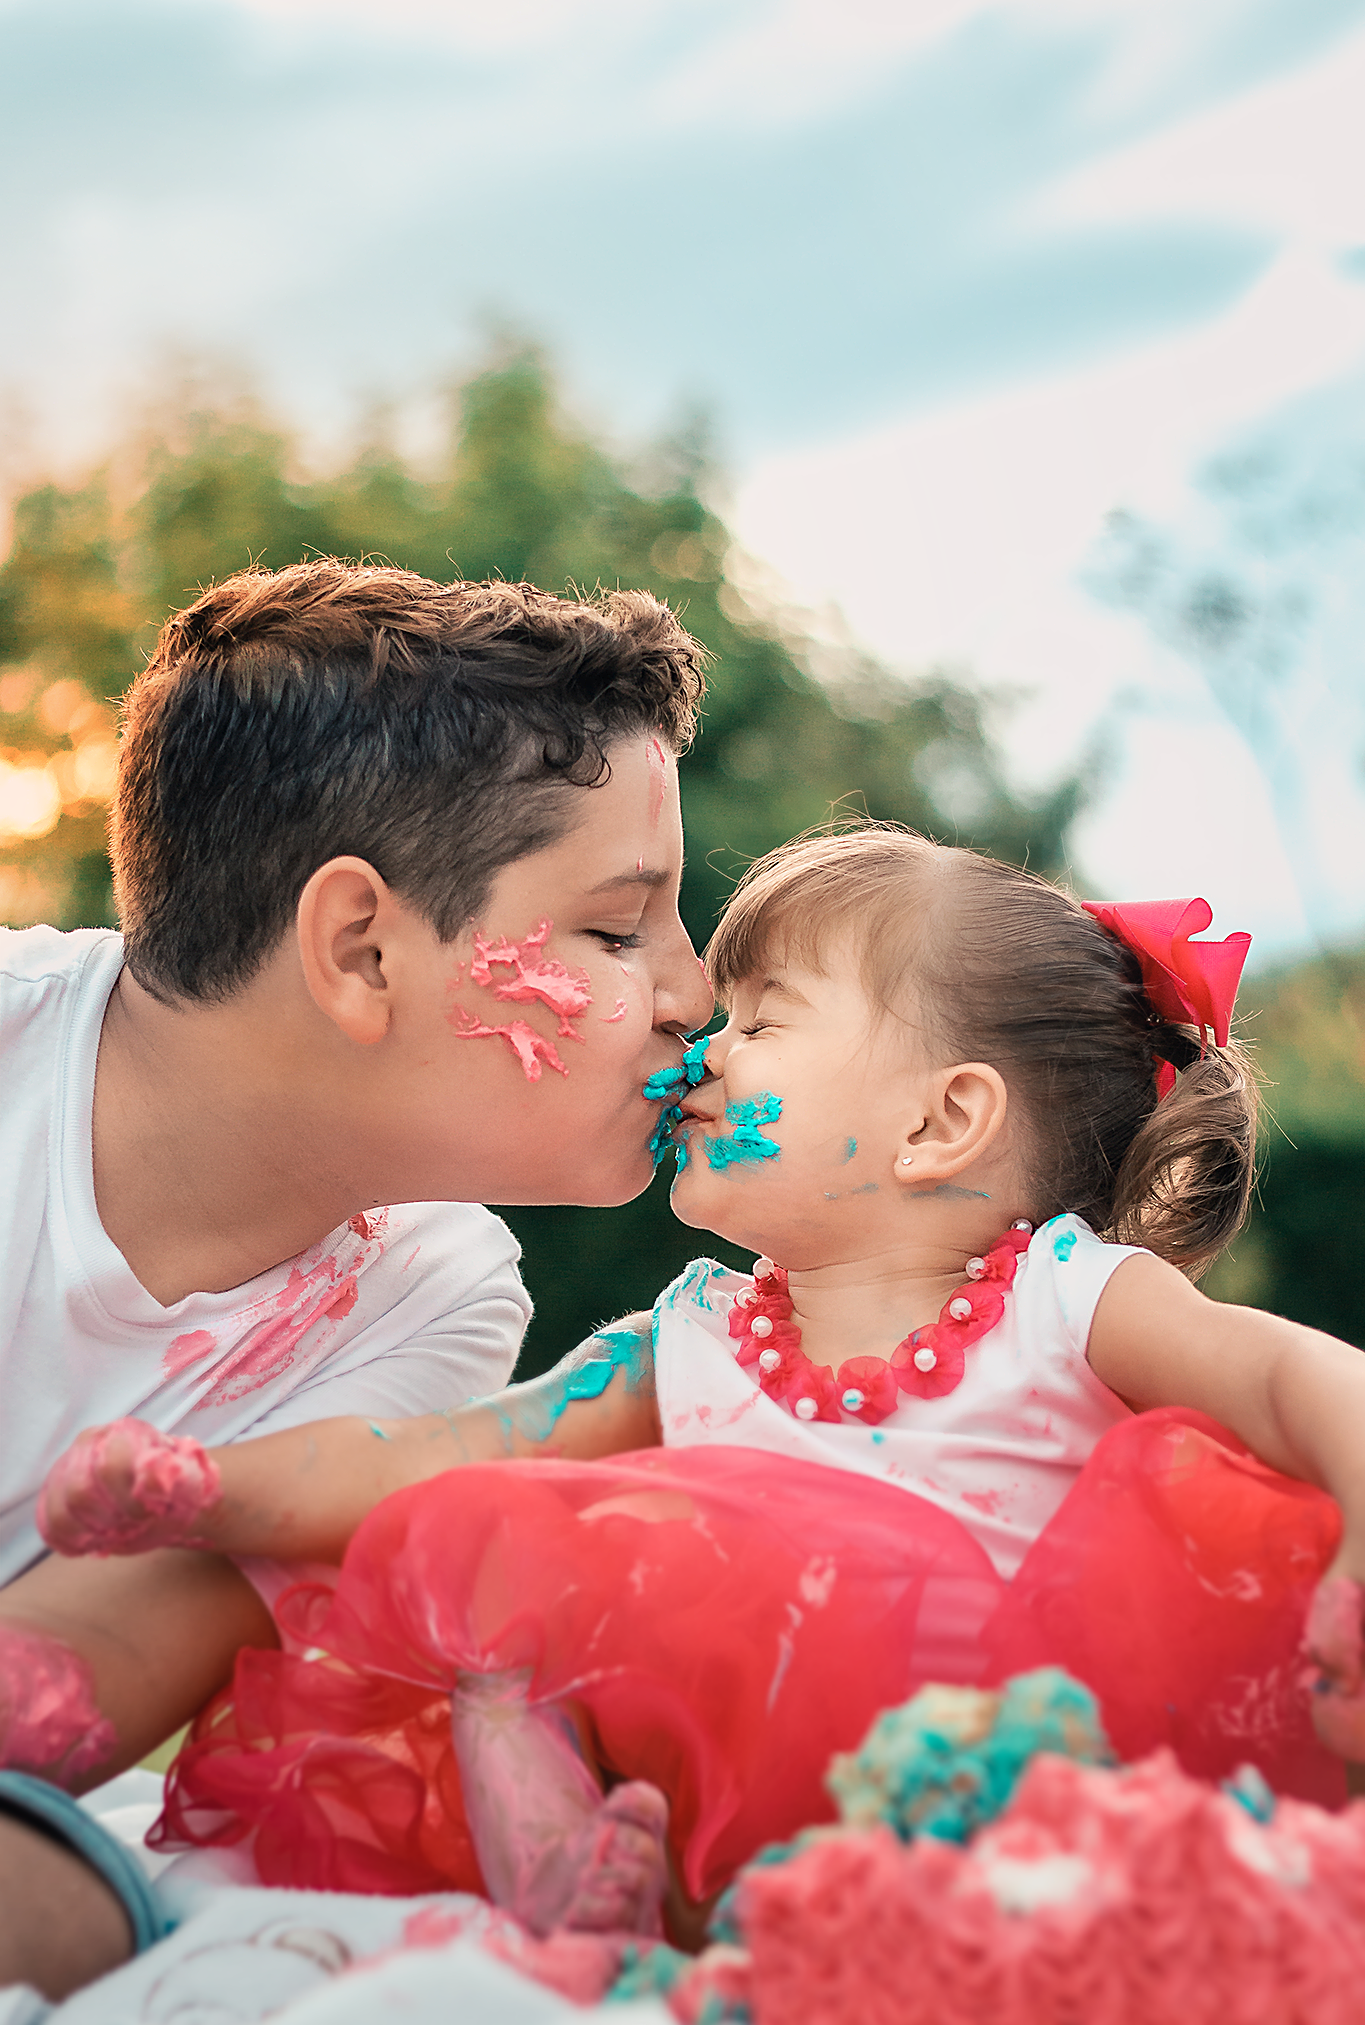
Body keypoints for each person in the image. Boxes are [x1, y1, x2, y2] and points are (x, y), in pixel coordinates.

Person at [35, 828, 1365, 1947]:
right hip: (733, 1838)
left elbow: (1297, 1375)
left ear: (940, 1124)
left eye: (765, 1021)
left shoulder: (1065, 1302)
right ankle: (575, 1877)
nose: (706, 1053)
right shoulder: (693, 1340)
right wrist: (203, 1483)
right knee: (483, 1557)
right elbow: (429, 1454)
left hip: (1012, 1783)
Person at [0, 559, 713, 1997]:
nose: (694, 995)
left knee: (56, 1906)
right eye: (621, 928)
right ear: (361, 950)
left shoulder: (441, 1297)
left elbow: (62, 1697)